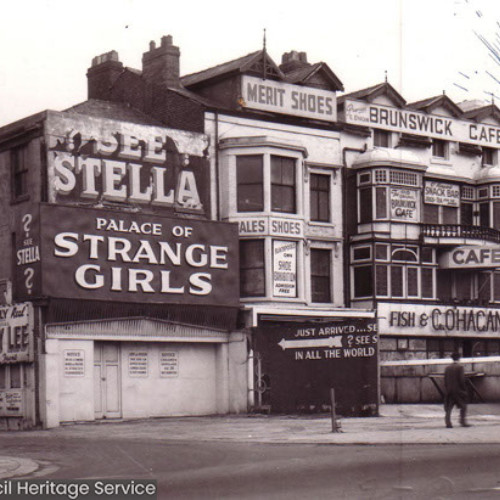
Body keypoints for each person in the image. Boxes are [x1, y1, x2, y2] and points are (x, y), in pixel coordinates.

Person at [444, 352, 470, 428]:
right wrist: (464, 389)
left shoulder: (447, 368)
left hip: (449, 390)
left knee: (449, 407)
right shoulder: (460, 367)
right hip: (458, 391)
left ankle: (448, 423)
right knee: (463, 406)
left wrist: (448, 388)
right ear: (459, 358)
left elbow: (445, 380)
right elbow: (461, 380)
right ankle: (462, 421)